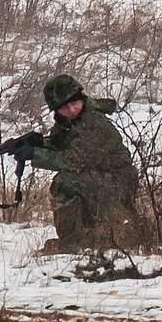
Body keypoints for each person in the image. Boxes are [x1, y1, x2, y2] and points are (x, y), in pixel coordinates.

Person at [25, 73, 150, 252]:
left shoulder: (95, 122)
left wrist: (35, 154)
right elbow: (62, 146)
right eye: (64, 108)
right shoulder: (69, 122)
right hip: (101, 177)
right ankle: (81, 237)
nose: (71, 109)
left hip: (118, 180)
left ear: (81, 97)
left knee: (64, 182)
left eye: (73, 103)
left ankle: (71, 243)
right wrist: (37, 145)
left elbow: (73, 160)